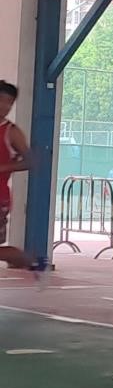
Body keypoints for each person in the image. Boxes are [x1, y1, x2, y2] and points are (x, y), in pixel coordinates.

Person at [0, 81, 38, 271]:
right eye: (2, 100)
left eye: (10, 102)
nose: (5, 106)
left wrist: (4, 167)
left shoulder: (11, 132)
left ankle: (24, 258)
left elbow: (31, 161)